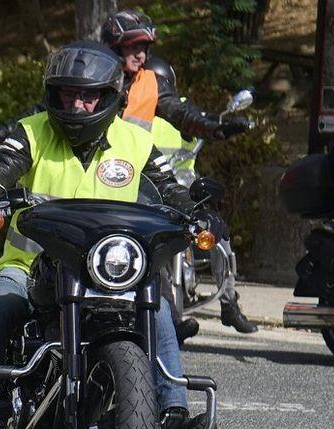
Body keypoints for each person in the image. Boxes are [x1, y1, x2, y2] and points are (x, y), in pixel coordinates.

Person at [0, 41, 214, 429]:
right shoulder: (30, 131)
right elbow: (3, 167)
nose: (77, 104)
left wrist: (195, 210)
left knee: (159, 307)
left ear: (110, 97)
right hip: (31, 264)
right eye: (68, 94)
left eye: (88, 95)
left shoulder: (135, 141)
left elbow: (169, 186)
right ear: (53, 95)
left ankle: (172, 413)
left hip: (111, 268)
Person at [101, 9, 257, 335]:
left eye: (145, 47)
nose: (141, 54)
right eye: (133, 46)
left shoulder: (150, 86)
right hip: (97, 180)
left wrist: (217, 126)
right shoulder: (92, 79)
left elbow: (183, 113)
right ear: (112, 46)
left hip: (148, 182)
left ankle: (182, 319)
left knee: (163, 248)